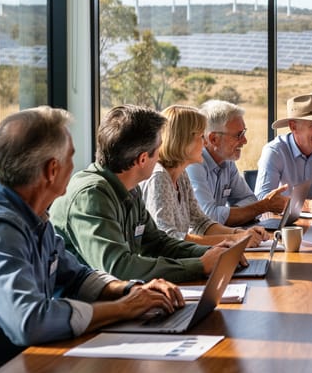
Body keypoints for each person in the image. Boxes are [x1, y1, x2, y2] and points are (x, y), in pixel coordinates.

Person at [0, 107, 184, 373]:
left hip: (24, 365)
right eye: (71, 156)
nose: (76, 165)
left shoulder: (32, 215)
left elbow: (77, 276)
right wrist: (123, 309)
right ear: (52, 170)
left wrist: (132, 290)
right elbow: (30, 321)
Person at [51, 105, 241, 283]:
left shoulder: (130, 189)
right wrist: (199, 265)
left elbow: (158, 243)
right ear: (142, 159)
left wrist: (213, 253)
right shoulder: (91, 195)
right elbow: (119, 267)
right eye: (158, 149)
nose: (161, 156)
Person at [140, 105, 269, 247]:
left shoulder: (181, 174)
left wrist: (240, 233)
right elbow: (169, 238)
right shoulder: (159, 177)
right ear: (183, 141)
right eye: (201, 136)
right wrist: (235, 239)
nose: (205, 142)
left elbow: (202, 223)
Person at [188, 99, 288, 227]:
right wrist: (261, 206)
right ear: (214, 139)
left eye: (244, 133)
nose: (245, 141)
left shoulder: (227, 162)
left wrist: (233, 214)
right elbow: (209, 218)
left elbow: (250, 199)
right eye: (239, 135)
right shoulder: (194, 164)